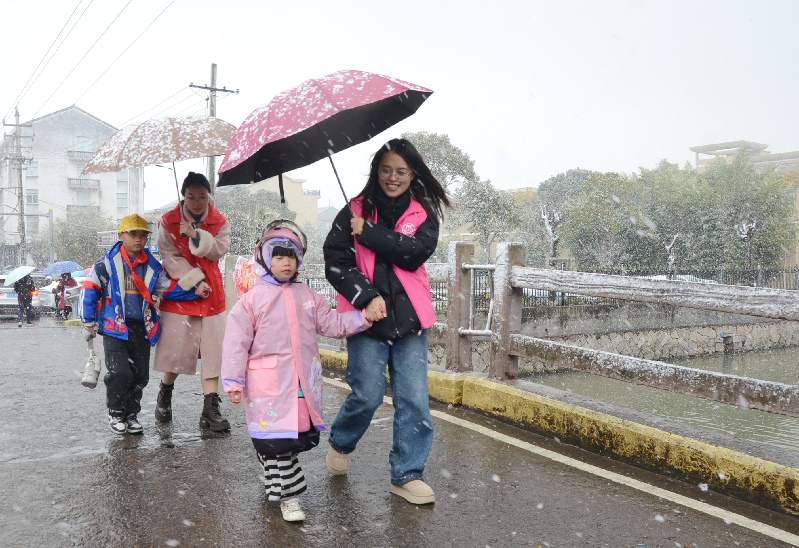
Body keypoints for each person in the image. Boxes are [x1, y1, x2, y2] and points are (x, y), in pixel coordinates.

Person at [323, 138, 451, 505]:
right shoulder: (353, 211)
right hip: (365, 321)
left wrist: (370, 232)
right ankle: (342, 441)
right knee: (367, 395)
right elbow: (335, 261)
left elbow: (413, 255)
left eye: (401, 171)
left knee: (414, 400)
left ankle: (407, 474)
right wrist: (366, 296)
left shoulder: (423, 212)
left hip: (410, 322)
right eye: (385, 170)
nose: (392, 178)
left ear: (413, 174)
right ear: (375, 171)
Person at [221, 220, 371, 522]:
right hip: (268, 385)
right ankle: (289, 496)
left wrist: (364, 317)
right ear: (264, 258)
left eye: (291, 256)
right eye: (278, 256)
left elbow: (333, 324)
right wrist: (234, 380)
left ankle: (272, 470)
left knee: (288, 440)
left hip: (302, 385)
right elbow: (236, 344)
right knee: (276, 440)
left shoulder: (309, 298)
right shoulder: (251, 302)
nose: (285, 262)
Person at [78, 214, 207, 435]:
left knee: (140, 376)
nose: (138, 239)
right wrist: (88, 321)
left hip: (142, 328)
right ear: (120, 236)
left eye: (143, 235)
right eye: (133, 234)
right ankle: (116, 411)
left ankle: (131, 414)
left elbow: (166, 289)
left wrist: (193, 291)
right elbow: (90, 289)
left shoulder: (151, 266)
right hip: (114, 328)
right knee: (120, 372)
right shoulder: (106, 264)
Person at [152, 172, 229, 431]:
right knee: (177, 350)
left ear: (209, 197)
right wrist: (194, 281)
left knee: (212, 353)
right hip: (182, 291)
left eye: (203, 197)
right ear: (182, 197)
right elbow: (169, 256)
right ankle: (165, 394)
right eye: (191, 197)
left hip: (212, 294)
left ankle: (210, 409)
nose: (197, 202)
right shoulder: (168, 221)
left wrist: (195, 235)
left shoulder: (219, 221)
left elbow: (219, 250)